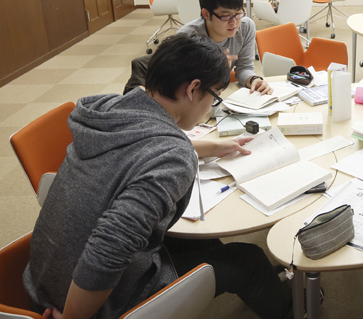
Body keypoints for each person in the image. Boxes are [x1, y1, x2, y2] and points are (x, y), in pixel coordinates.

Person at [24, 34, 293, 319]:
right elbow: (108, 250)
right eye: (214, 98)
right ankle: (293, 310)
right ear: (193, 89)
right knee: (248, 259)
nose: (210, 108)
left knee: (199, 240)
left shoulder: (111, 110)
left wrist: (213, 148)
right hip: (92, 304)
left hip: (44, 278)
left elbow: (141, 147)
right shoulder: (173, 156)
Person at [123, 0, 272, 95]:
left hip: (215, 95)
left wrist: (253, 79)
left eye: (238, 13)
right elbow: (180, 86)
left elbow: (244, 68)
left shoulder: (246, 27)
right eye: (226, 16)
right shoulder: (186, 38)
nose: (234, 22)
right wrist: (216, 72)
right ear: (206, 14)